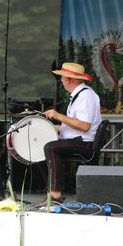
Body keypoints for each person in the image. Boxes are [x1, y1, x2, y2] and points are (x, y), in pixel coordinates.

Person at [43, 62, 102, 202]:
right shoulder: (79, 95)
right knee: (42, 146)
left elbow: (84, 126)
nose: (61, 81)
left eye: (62, 77)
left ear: (68, 80)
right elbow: (74, 124)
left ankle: (55, 194)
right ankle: (51, 190)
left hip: (85, 143)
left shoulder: (85, 96)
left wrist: (58, 116)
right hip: (77, 140)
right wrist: (51, 127)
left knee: (51, 147)